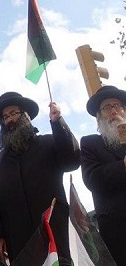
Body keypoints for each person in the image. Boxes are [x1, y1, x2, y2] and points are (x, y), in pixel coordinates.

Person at [0, 92, 80, 266]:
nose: (10, 120)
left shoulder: (49, 143)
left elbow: (72, 161)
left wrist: (57, 122)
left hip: (53, 232)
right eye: (5, 117)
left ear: (26, 116)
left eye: (14, 113)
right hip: (19, 239)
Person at [81, 85, 126, 264]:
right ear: (99, 116)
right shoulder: (90, 144)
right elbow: (92, 179)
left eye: (117, 106)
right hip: (119, 231)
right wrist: (122, 166)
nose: (114, 111)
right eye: (107, 107)